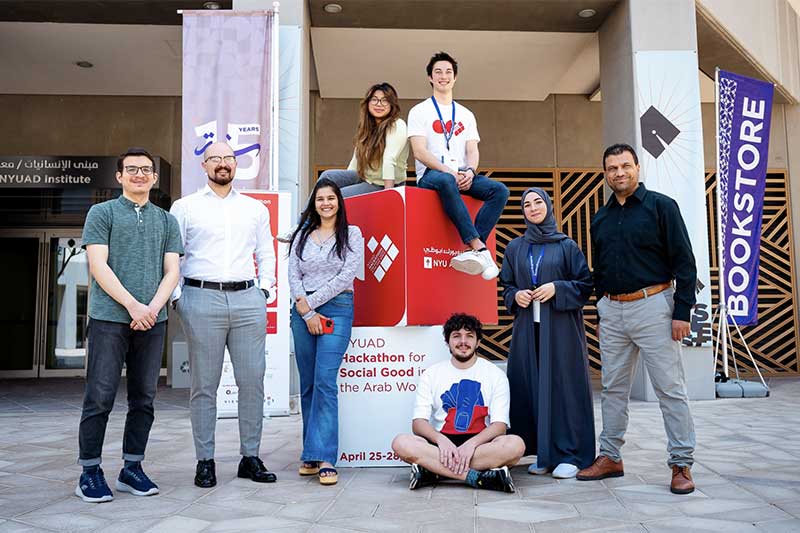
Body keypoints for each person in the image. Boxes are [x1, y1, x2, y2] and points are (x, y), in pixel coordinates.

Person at [578, 143, 698, 495]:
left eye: (625, 166)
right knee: (613, 388)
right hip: (612, 311)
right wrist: (601, 308)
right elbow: (600, 270)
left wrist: (681, 312)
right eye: (612, 168)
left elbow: (685, 263)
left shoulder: (662, 207)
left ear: (637, 168)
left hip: (654, 307)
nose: (619, 173)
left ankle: (681, 462)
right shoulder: (600, 218)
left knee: (669, 389)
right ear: (605, 174)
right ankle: (610, 456)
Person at [76, 147, 183, 503]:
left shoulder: (167, 220)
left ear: (154, 178)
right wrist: (133, 305)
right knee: (100, 397)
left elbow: (172, 270)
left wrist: (152, 308)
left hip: (152, 320)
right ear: (119, 176)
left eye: (146, 170)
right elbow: (98, 265)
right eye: (132, 169)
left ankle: (131, 468)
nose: (140, 174)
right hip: (110, 318)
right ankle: (89, 472)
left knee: (144, 399)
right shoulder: (101, 213)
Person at [170, 141, 277, 488]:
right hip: (201, 299)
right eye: (215, 158)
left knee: (252, 382)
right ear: (204, 166)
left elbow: (266, 251)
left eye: (228, 158)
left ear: (235, 165)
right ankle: (205, 461)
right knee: (204, 386)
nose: (222, 164)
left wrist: (265, 290)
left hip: (247, 298)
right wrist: (177, 297)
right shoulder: (184, 208)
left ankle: (250, 457)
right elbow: (172, 255)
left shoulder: (253, 209)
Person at [499, 188, 595, 480]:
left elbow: (584, 284)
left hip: (561, 331)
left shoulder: (566, 246)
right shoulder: (515, 247)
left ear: (549, 206)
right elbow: (506, 286)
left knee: (563, 387)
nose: (533, 208)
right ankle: (543, 452)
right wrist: (516, 297)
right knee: (531, 386)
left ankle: (569, 453)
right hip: (528, 330)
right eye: (527, 204)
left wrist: (557, 288)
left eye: (538, 202)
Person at [391, 313, 525, 492]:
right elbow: (418, 423)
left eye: (469, 336)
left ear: (478, 342)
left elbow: (499, 426)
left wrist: (471, 444)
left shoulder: (495, 374)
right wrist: (441, 440)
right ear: (447, 342)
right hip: (442, 445)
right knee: (401, 443)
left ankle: (434, 471)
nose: (463, 341)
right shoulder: (432, 374)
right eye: (456, 336)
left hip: (481, 446)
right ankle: (477, 478)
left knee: (515, 445)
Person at [288, 178, 363, 486]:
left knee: (324, 381)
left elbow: (347, 273)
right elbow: (292, 272)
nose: (326, 203)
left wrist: (311, 305)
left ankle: (326, 457)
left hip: (337, 308)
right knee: (307, 383)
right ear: (313, 204)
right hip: (302, 312)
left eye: (331, 198)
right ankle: (310, 452)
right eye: (320, 199)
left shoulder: (352, 234)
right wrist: (304, 310)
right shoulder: (302, 235)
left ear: (338, 202)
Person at [407, 51, 509, 280]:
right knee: (445, 179)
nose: (443, 76)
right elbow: (419, 152)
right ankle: (478, 246)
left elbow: (472, 151)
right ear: (430, 78)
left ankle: (473, 250)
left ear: (455, 78)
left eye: (448, 72)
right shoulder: (419, 111)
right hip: (433, 176)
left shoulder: (466, 114)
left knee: (499, 190)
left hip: (462, 174)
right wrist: (449, 172)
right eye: (438, 72)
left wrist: (470, 172)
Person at [318, 82, 409, 197]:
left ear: (392, 104)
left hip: (384, 184)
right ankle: (305, 215)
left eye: (384, 100)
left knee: (334, 197)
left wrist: (388, 196)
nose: (379, 104)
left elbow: (389, 160)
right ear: (368, 103)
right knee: (328, 176)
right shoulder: (367, 128)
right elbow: (355, 161)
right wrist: (346, 182)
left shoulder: (397, 125)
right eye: (374, 99)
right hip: (366, 179)